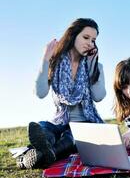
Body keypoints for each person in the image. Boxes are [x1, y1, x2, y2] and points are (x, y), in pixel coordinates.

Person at [17, 18, 106, 169]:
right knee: (44, 127)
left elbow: (98, 96)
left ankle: (43, 154)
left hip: (85, 124)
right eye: (86, 37)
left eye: (93, 40)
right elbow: (40, 93)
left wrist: (92, 66)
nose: (90, 43)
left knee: (74, 136)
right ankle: (46, 148)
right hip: (60, 121)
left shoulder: (95, 66)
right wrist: (45, 58)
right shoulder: (55, 62)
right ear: (73, 35)